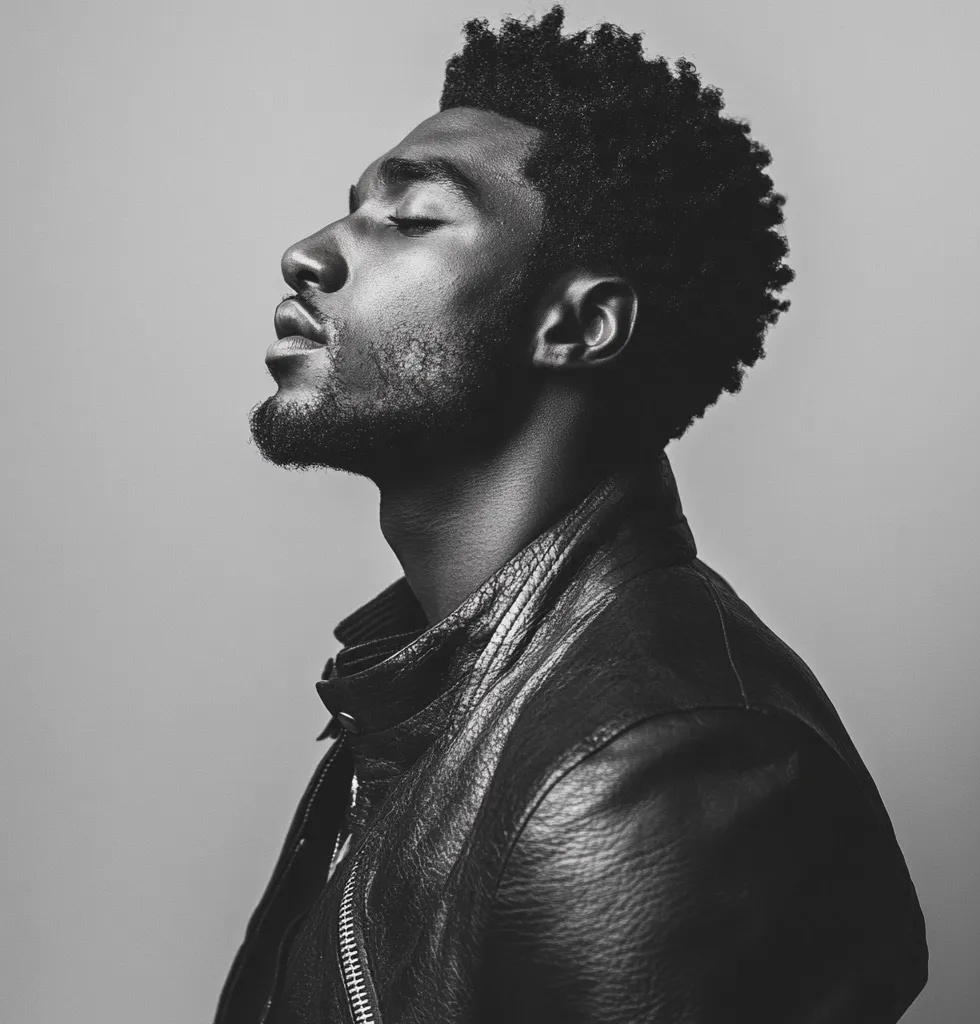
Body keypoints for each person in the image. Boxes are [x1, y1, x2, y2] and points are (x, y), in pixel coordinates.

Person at [216, 7, 927, 1022]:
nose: (309, 255)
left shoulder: (650, 772)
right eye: (351, 209)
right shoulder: (427, 696)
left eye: (411, 220)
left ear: (580, 325)